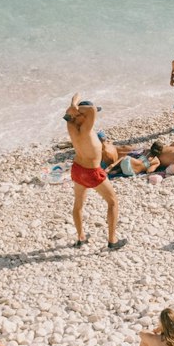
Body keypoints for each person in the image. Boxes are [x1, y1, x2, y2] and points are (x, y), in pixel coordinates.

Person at [63, 95, 125, 251]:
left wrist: (73, 106)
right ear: (83, 115)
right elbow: (91, 110)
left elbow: (72, 111)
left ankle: (81, 238)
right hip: (92, 172)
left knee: (78, 205)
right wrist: (75, 105)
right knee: (112, 202)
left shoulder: (70, 125)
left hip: (77, 170)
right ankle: (112, 241)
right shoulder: (87, 129)